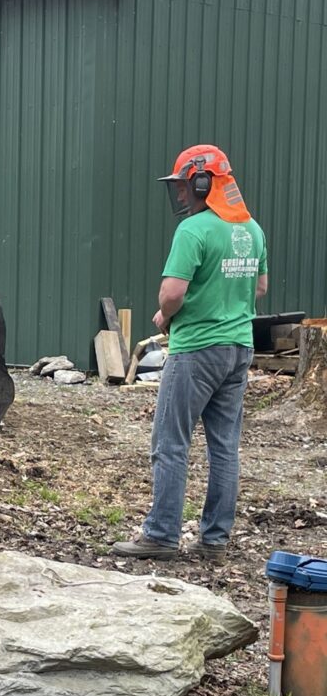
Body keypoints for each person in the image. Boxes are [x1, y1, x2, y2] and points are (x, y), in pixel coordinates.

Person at [113, 144, 268, 562]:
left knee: (170, 441)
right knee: (224, 446)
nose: (181, 195)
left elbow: (173, 292)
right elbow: (259, 288)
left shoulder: (194, 230)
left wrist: (167, 314)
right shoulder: (252, 230)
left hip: (197, 349)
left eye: (184, 186)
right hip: (239, 348)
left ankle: (161, 534)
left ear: (204, 183)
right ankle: (215, 540)